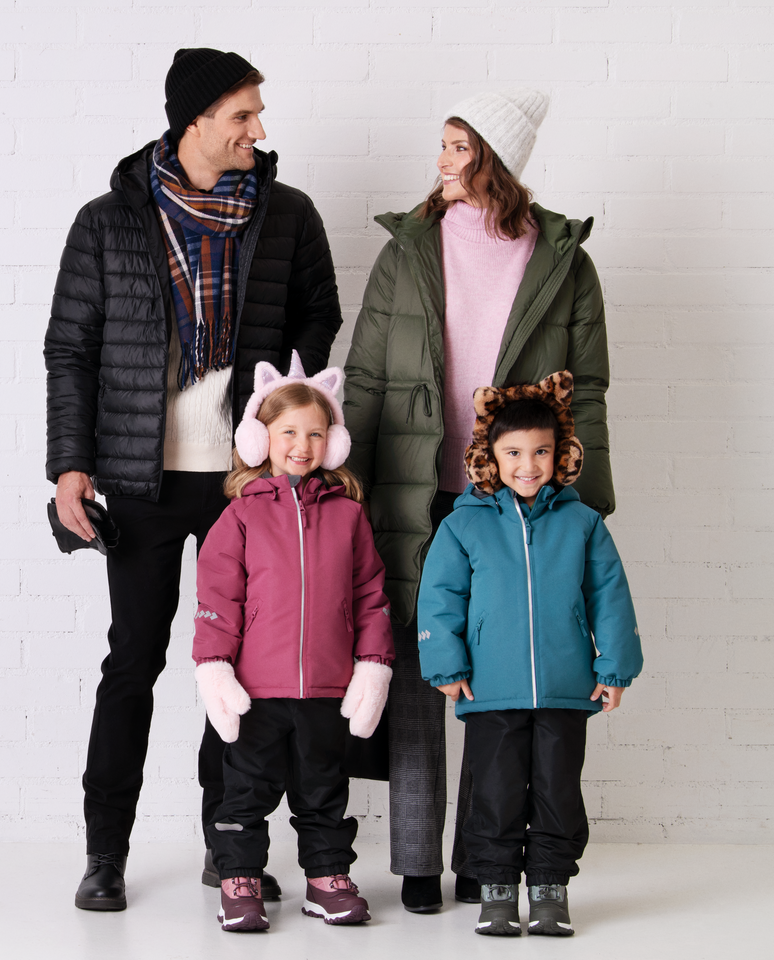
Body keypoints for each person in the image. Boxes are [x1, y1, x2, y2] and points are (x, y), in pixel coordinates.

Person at [45, 47, 343, 911]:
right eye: (243, 113)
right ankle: (105, 854)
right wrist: (69, 467)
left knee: (241, 669)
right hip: (140, 481)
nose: (259, 128)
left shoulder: (287, 215)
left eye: (257, 112)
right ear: (195, 122)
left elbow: (319, 313)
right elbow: (71, 351)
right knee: (133, 661)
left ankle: (230, 842)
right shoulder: (107, 222)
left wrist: (277, 414)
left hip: (242, 485)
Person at [342, 88, 616, 912]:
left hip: (515, 498)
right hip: (415, 484)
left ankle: (483, 860)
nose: (442, 160)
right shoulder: (407, 251)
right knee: (422, 671)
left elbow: (588, 389)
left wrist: (586, 499)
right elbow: (366, 375)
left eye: (459, 146)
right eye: (444, 143)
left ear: (494, 159)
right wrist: (350, 484)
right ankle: (417, 864)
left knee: (497, 688)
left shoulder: (563, 260)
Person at [418, 372, 642, 936]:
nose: (528, 464)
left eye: (541, 451)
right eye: (514, 452)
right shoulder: (463, 524)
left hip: (567, 687)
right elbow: (440, 597)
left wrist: (614, 667)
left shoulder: (582, 523)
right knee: (493, 793)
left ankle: (549, 888)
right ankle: (496, 888)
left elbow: (609, 596)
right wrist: (446, 665)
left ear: (560, 454)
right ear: (490, 457)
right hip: (490, 687)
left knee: (557, 792)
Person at [191, 360, 394, 932]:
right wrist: (214, 668)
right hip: (257, 691)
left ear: (333, 442)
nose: (302, 446)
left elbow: (371, 596)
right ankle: (239, 880)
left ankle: (328, 879)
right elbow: (217, 598)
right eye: (288, 432)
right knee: (245, 791)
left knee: (324, 791)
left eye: (315, 433)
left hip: (327, 689)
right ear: (260, 439)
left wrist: (372, 666)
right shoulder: (239, 516)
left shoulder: (349, 516)